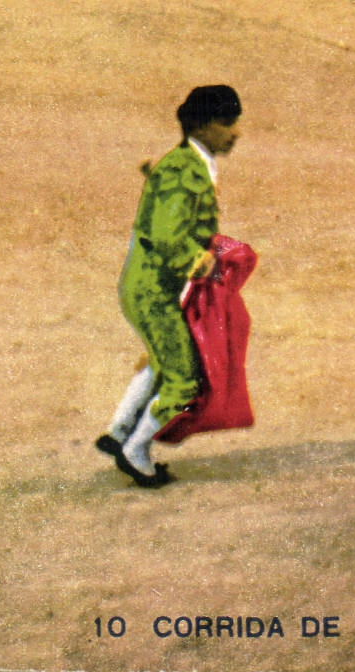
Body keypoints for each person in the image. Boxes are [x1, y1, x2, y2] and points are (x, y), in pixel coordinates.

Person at [96, 85, 242, 487]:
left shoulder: (184, 163)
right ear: (203, 125)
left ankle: (120, 429)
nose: (236, 132)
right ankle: (136, 452)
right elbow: (166, 236)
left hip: (147, 285)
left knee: (164, 358)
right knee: (184, 376)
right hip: (153, 290)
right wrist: (202, 265)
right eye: (227, 123)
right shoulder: (183, 170)